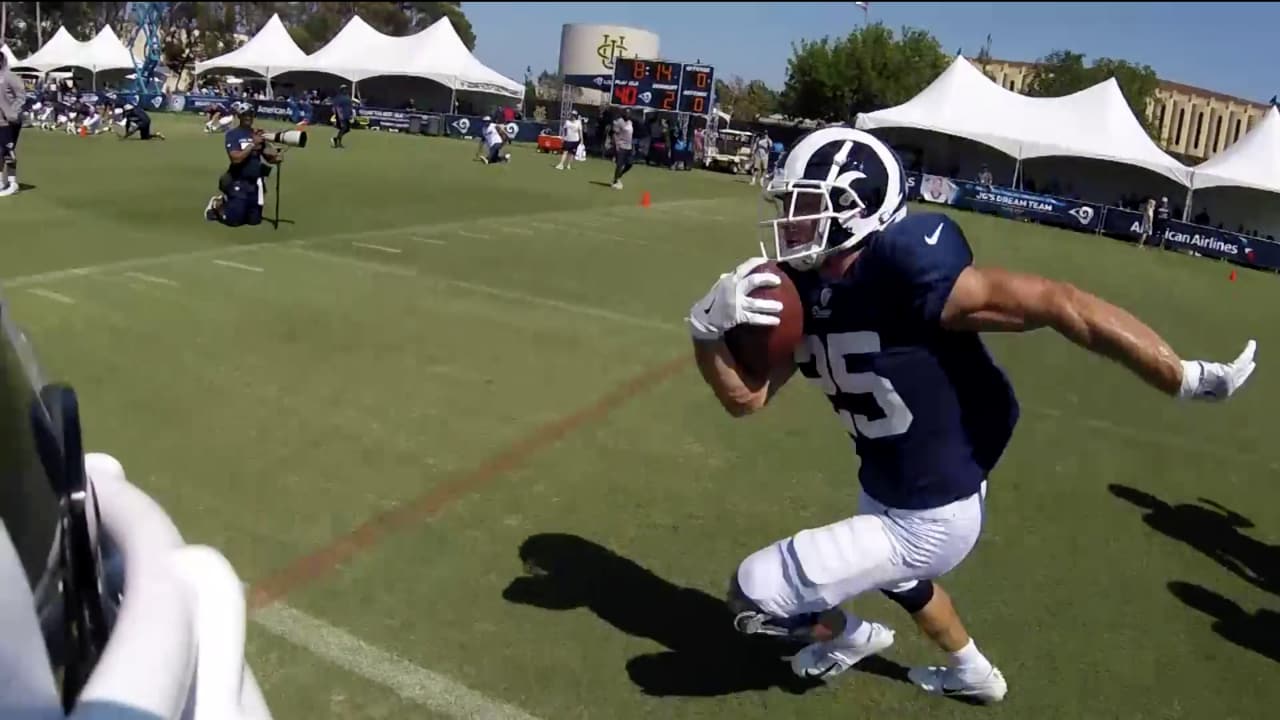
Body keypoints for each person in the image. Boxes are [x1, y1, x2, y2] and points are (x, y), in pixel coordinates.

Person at [686, 126, 1257, 703]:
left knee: (752, 594)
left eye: (806, 204)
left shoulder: (902, 267)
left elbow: (1061, 304)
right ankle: (976, 676)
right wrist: (704, 333)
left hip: (932, 514)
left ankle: (849, 636)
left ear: (855, 208)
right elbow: (745, 399)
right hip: (885, 483)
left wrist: (1181, 376)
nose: (791, 218)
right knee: (908, 587)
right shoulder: (803, 291)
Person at [205, 103, 282, 226]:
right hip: (238, 181)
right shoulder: (233, 135)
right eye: (245, 115)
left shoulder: (257, 134)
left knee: (254, 221)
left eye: (250, 115)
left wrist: (275, 156)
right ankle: (217, 204)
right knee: (233, 221)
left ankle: (238, 205)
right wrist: (252, 144)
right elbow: (235, 159)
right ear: (239, 116)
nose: (248, 118)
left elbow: (268, 158)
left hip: (254, 184)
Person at [0, 51, 24, 196]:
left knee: (8, 151)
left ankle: (13, 183)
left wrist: (12, 113)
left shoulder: (10, 76)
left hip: (9, 122)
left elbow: (21, 96)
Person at [609, 108, 635, 190]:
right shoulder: (619, 122)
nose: (628, 115)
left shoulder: (630, 122)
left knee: (630, 164)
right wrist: (616, 145)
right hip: (621, 146)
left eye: (629, 113)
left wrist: (632, 146)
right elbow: (614, 134)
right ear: (623, 113)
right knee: (619, 164)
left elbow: (630, 135)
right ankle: (615, 181)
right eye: (626, 113)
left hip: (629, 146)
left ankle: (619, 176)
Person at [331, 84, 354, 149]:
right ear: (341, 90)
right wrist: (339, 115)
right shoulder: (338, 98)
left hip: (347, 115)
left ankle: (336, 139)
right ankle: (338, 142)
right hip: (341, 116)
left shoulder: (348, 97)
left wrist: (351, 115)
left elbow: (350, 107)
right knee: (344, 128)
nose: (345, 90)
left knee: (347, 129)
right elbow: (336, 107)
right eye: (344, 89)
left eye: (346, 89)